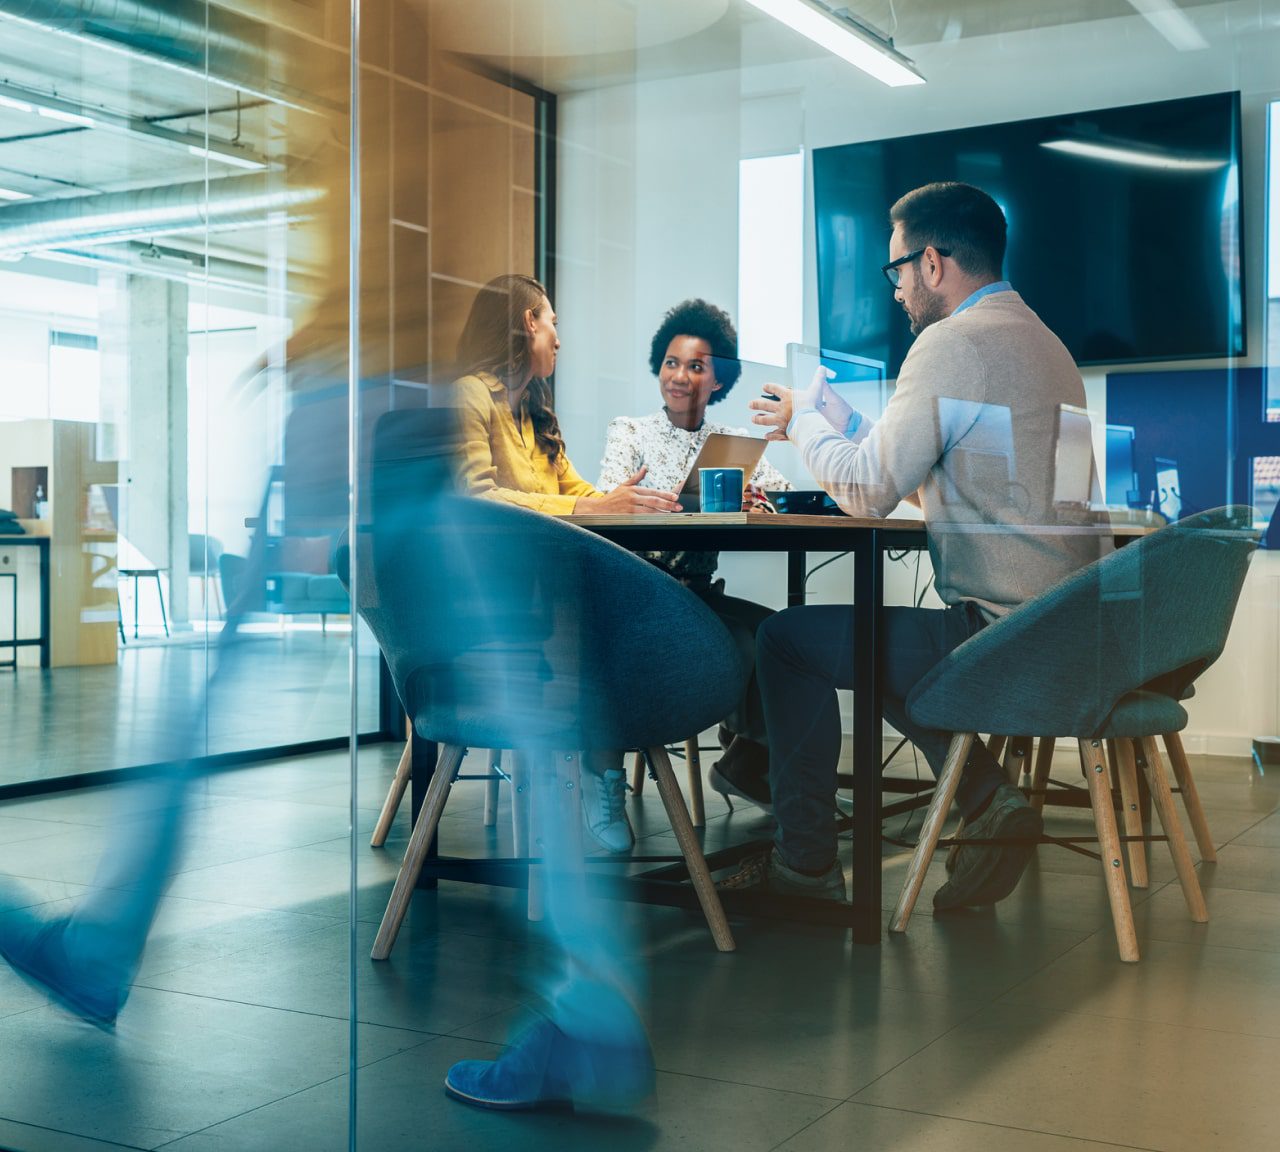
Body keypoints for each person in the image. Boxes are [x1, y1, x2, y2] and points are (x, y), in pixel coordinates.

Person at [725, 181, 1102, 908]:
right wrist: (861, 433)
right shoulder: (1047, 346)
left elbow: (866, 494)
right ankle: (985, 798)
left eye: (895, 270)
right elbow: (983, 482)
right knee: (876, 640)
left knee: (787, 641)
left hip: (1003, 635)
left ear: (932, 263)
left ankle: (803, 868)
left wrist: (804, 421)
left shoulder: (950, 342)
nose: (895, 289)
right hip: (1063, 628)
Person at [453, 273, 681, 853]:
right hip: (499, 595)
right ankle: (598, 770)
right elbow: (475, 498)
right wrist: (589, 504)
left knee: (629, 609)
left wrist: (631, 498)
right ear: (529, 322)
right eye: (553, 322)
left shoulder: (532, 406)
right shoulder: (469, 395)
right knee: (612, 618)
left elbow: (574, 488)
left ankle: (596, 766)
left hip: (551, 581)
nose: (559, 338)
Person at [597, 298, 791, 820]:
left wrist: (756, 498)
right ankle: (743, 760)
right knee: (744, 640)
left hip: (698, 594)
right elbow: (606, 504)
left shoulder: (733, 443)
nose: (680, 376)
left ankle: (748, 759)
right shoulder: (630, 431)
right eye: (672, 362)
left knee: (779, 636)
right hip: (638, 592)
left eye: (697, 366)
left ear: (718, 382)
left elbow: (780, 496)